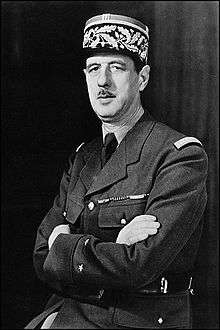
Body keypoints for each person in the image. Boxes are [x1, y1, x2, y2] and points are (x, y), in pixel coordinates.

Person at [25, 13, 208, 329]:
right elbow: (42, 255)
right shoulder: (83, 157)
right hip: (74, 312)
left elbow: (139, 265)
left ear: (143, 77)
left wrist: (67, 246)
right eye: (94, 68)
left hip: (138, 319)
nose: (102, 81)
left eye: (117, 67)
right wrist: (116, 242)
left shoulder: (178, 155)